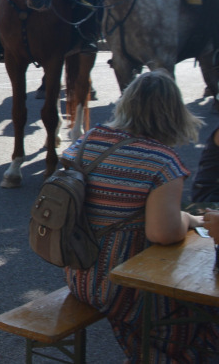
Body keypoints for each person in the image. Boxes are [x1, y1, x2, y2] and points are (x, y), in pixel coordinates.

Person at [62, 70, 218, 361]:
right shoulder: (161, 161)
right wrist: (188, 219)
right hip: (123, 285)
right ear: (173, 112)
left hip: (79, 276)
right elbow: (162, 233)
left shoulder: (90, 139)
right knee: (197, 310)